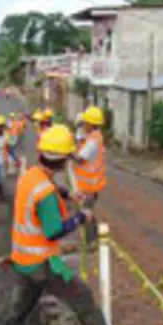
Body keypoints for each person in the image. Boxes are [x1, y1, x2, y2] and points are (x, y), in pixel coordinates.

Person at [5, 124, 141, 325]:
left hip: (22, 259)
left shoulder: (31, 176)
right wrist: (80, 217)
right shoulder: (45, 194)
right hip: (43, 263)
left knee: (20, 311)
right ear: (63, 160)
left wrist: (68, 195)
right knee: (83, 298)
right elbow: (53, 231)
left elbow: (48, 185)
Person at [70, 106, 107, 247]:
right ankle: (92, 238)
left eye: (85, 122)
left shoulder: (93, 140)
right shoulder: (94, 136)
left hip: (89, 187)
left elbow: (80, 159)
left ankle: (91, 242)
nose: (84, 124)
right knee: (87, 212)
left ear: (91, 124)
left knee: (86, 213)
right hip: (90, 185)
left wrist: (66, 152)